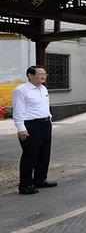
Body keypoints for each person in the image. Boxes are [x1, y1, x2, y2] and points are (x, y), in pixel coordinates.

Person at [12, 66, 57, 195]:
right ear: (30, 76)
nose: (43, 76)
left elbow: (44, 107)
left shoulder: (43, 88)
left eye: (44, 73)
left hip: (45, 123)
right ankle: (25, 185)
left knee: (44, 154)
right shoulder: (21, 90)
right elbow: (18, 111)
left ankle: (40, 180)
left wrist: (49, 119)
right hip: (31, 126)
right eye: (40, 74)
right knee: (30, 155)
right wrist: (21, 128)